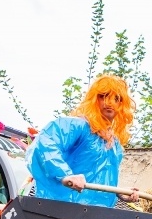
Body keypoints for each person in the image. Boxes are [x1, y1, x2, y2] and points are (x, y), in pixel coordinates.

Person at [26, 74, 138, 207]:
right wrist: (65, 175)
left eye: (116, 98)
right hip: (62, 210)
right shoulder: (79, 127)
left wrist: (120, 193)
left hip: (95, 217)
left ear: (122, 105)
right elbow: (45, 143)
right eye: (103, 96)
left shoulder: (115, 146)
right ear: (94, 99)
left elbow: (102, 179)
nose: (109, 103)